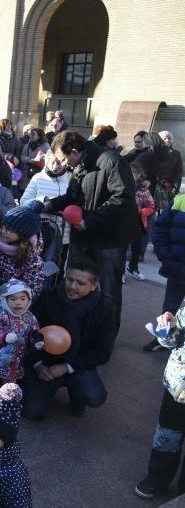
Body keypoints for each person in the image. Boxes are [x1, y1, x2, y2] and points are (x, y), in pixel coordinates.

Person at [45, 131, 138, 329]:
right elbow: (72, 197)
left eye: (63, 159)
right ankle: (77, 328)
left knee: (108, 291)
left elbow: (122, 198)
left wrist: (90, 220)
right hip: (83, 238)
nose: (63, 165)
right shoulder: (78, 166)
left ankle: (105, 336)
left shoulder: (111, 160)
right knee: (75, 284)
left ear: (74, 151)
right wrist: (51, 205)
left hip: (109, 241)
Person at [22, 258, 116, 419]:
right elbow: (29, 335)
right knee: (33, 412)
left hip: (78, 364)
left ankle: (77, 395)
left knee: (94, 397)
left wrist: (67, 367)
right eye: (70, 279)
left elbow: (102, 352)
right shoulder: (48, 297)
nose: (72, 287)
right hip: (45, 363)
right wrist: (37, 365)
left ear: (94, 286)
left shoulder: (105, 309)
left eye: (80, 283)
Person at [135, 308, 185, 499]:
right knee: (167, 436)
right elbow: (173, 341)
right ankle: (157, 478)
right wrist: (168, 329)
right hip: (176, 385)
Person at [0, 280, 40, 405]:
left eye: (22, 299)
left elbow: (34, 332)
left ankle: (6, 406)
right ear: (5, 300)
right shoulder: (0, 315)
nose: (18, 302)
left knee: (10, 386)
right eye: (13, 299)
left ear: (28, 299)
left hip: (15, 360)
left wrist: (37, 341)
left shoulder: (30, 317)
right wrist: (5, 336)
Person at [148, 194, 185, 352]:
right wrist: (165, 255)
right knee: (169, 307)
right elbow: (160, 227)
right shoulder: (180, 200)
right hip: (177, 267)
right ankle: (162, 337)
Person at [0, 201, 45, 298]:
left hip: (16, 301)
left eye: (9, 230)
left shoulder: (31, 258)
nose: (4, 232)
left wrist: (18, 296)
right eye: (3, 227)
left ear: (23, 234)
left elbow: (33, 287)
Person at [126, 161, 156, 281]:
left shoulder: (143, 190)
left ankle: (133, 268)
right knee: (122, 249)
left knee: (137, 249)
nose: (130, 175)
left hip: (138, 223)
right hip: (123, 223)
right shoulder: (121, 185)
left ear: (139, 174)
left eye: (133, 173)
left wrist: (141, 212)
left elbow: (151, 206)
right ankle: (119, 273)